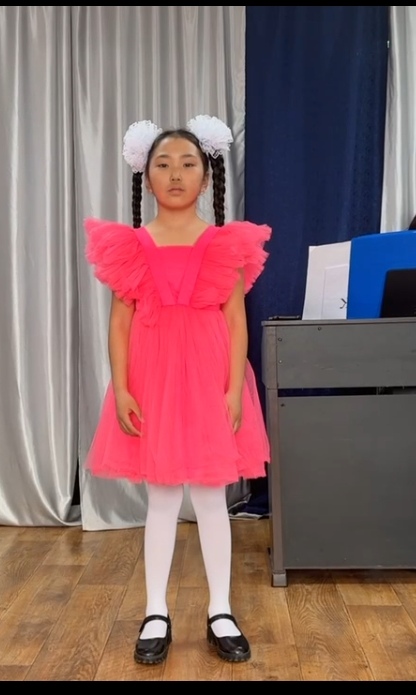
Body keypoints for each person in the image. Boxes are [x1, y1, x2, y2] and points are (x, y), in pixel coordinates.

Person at [83, 115, 271, 666]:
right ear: (146, 176)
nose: (175, 174)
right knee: (162, 497)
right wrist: (122, 388)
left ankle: (221, 609)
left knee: (211, 496)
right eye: (163, 164)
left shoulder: (224, 244)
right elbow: (120, 324)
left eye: (188, 164)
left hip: (211, 379)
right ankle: (155, 611)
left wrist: (233, 389)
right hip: (154, 382)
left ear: (206, 177)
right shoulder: (132, 245)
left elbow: (235, 321)